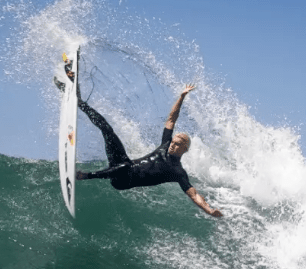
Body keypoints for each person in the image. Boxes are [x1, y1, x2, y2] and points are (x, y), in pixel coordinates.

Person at [59, 72, 222, 217]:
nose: (172, 145)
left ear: (185, 149)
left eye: (177, 144)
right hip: (122, 164)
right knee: (108, 130)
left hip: (123, 181)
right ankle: (79, 101)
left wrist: (208, 210)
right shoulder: (165, 144)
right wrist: (182, 96)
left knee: (125, 166)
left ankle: (84, 176)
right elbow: (172, 118)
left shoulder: (177, 172)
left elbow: (194, 195)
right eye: (173, 142)